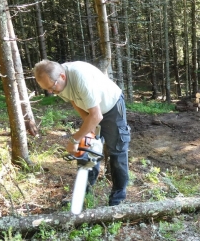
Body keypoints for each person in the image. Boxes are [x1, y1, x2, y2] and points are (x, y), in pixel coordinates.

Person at [33, 60, 130, 206]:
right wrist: (89, 128)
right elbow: (74, 101)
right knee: (87, 150)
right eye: (46, 89)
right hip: (92, 111)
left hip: (112, 107)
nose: (51, 92)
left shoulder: (79, 76)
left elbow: (97, 115)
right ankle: (82, 195)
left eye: (51, 87)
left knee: (116, 151)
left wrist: (74, 139)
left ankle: (118, 200)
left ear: (62, 76)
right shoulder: (57, 82)